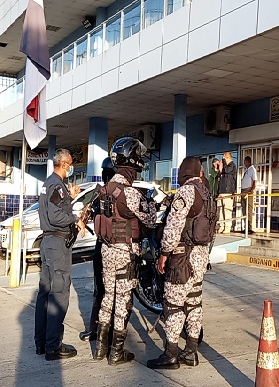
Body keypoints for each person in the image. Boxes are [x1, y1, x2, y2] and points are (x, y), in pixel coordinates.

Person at [93, 137, 156, 365]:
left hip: (106, 250)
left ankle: (100, 348)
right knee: (123, 300)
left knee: (108, 297)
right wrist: (151, 205)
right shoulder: (129, 193)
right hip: (124, 252)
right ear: (133, 163)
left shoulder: (104, 190)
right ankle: (117, 353)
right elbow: (149, 220)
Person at [147, 156, 214, 370]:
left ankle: (171, 354)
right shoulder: (207, 194)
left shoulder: (185, 191)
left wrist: (164, 253)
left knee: (173, 304)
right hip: (201, 256)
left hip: (183, 257)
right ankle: (191, 351)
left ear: (183, 173)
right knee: (194, 302)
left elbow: (173, 226)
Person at [35, 149, 86, 360]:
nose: (71, 168)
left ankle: (42, 343)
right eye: (70, 164)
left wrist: (70, 198)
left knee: (45, 294)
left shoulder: (50, 184)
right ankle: (53, 346)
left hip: (48, 242)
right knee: (59, 294)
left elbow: (55, 209)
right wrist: (75, 218)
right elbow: (56, 216)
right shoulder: (56, 185)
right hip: (57, 244)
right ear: (64, 164)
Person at [79, 157, 116, 342]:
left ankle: (97, 329)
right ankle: (106, 331)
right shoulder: (118, 192)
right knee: (110, 292)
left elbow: (86, 214)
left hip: (102, 247)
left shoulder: (99, 193)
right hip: (115, 248)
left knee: (101, 291)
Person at [217, 151, 236, 234]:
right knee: (221, 210)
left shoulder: (232, 165)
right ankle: (221, 226)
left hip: (228, 190)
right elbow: (220, 173)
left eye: (224, 157)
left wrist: (223, 163)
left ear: (227, 157)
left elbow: (227, 170)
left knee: (227, 210)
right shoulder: (223, 167)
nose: (222, 160)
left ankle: (227, 227)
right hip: (221, 190)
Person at [240, 156, 257, 234]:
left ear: (247, 162)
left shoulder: (252, 169)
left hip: (248, 190)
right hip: (243, 190)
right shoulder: (247, 170)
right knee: (244, 209)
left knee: (249, 209)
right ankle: (245, 226)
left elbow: (254, 181)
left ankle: (249, 227)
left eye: (245, 162)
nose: (244, 163)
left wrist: (251, 190)